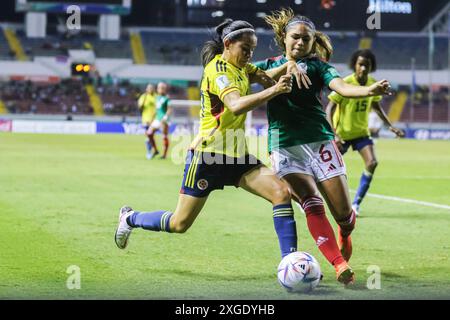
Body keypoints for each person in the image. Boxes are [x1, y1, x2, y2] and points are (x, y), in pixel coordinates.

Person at [115, 19, 300, 262]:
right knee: (179, 223)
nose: (249, 55)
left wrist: (293, 64)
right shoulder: (218, 71)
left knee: (281, 193)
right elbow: (235, 105)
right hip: (208, 156)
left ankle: (291, 261)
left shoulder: (242, 67)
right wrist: (275, 90)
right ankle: (130, 218)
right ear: (228, 44)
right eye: (245, 49)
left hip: (238, 157)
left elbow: (266, 76)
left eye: (252, 50)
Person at [254, 8, 393, 285]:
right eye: (295, 38)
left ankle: (345, 230)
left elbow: (341, 87)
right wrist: (286, 66)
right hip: (284, 145)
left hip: (320, 142)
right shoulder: (269, 63)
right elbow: (251, 79)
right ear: (284, 37)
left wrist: (369, 90)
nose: (300, 43)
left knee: (342, 213)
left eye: (306, 40)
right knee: (311, 203)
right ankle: (339, 263)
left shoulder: (318, 66)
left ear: (312, 42)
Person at [326, 49, 404, 216]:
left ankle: (355, 204)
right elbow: (329, 108)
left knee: (372, 163)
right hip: (343, 134)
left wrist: (389, 125)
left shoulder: (373, 83)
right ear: (354, 65)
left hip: (361, 133)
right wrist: (334, 134)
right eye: (360, 64)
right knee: (326, 168)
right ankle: (314, 198)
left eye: (366, 65)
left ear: (371, 67)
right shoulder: (345, 82)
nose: (363, 68)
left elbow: (376, 106)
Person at [147, 82, 172, 159]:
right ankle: (155, 150)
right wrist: (152, 118)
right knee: (149, 133)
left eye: (162, 88)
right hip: (157, 119)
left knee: (164, 136)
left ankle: (164, 155)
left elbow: (169, 109)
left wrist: (165, 118)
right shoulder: (157, 98)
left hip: (164, 120)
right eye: (159, 88)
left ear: (165, 89)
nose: (160, 89)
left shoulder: (167, 98)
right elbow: (157, 110)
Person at [137, 84, 156, 159]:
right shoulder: (144, 97)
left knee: (151, 136)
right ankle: (149, 152)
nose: (150, 89)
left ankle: (151, 151)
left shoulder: (156, 97)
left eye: (152, 88)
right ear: (146, 89)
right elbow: (140, 106)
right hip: (146, 120)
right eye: (149, 88)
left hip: (154, 119)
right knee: (149, 136)